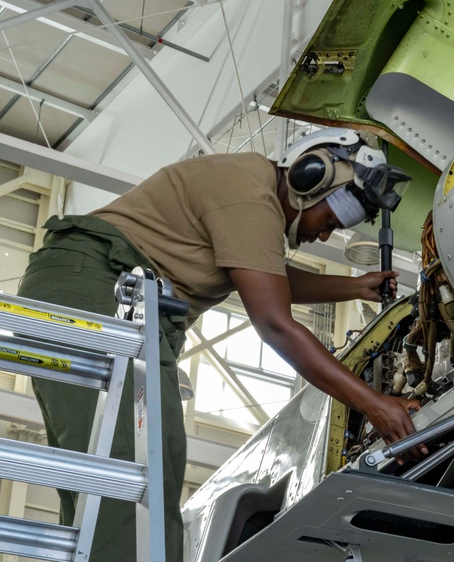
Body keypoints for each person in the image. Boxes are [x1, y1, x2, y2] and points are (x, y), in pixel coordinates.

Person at [17, 127, 425, 561]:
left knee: (140, 469)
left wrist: (353, 287)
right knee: (132, 473)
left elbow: (265, 275)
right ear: (310, 179)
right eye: (329, 221)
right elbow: (275, 323)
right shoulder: (249, 194)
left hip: (99, 295)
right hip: (96, 289)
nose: (323, 236)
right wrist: (373, 403)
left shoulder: (249, 195)